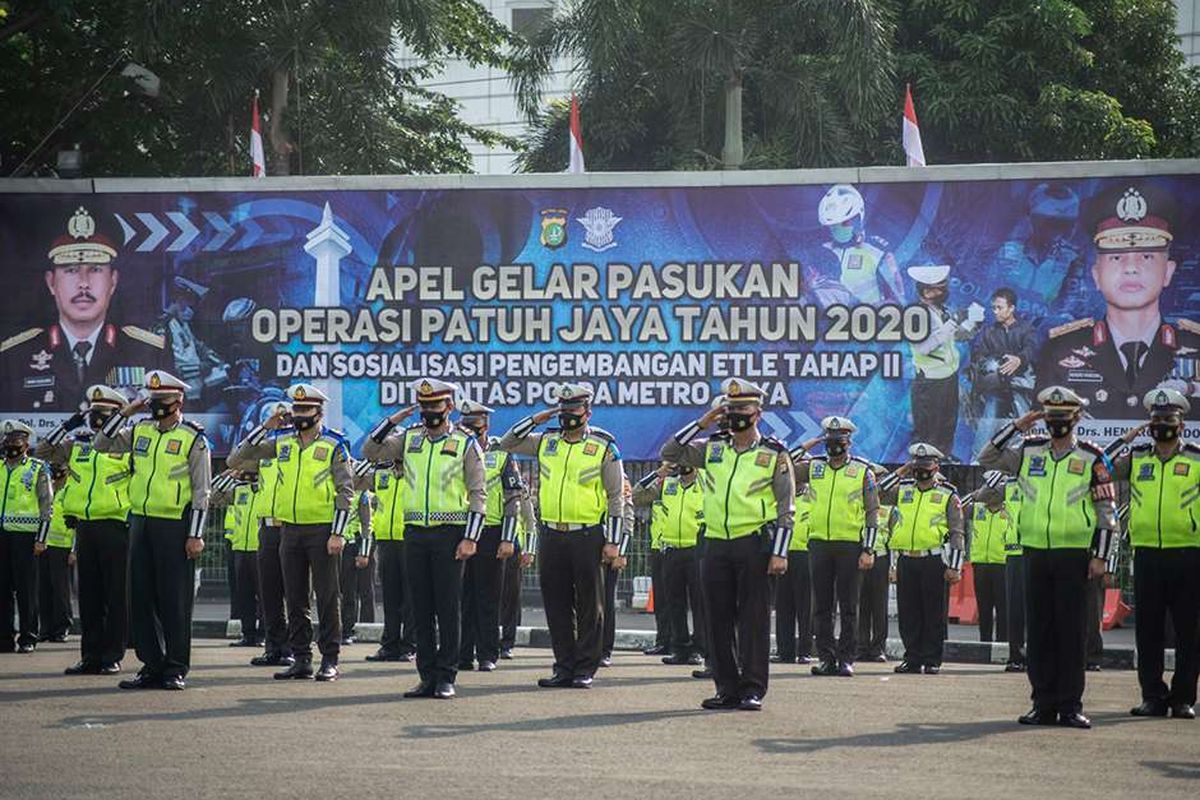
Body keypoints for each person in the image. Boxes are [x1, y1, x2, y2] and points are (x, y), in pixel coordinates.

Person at [979, 385, 1119, 728]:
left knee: (1071, 632)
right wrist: (1017, 426)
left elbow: (1107, 512)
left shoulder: (1091, 457)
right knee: (1039, 631)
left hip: (1075, 556)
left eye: (1063, 418)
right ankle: (1042, 703)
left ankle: (1070, 705)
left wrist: (1101, 557)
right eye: (1051, 417)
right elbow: (987, 457)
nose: (1057, 423)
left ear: (1076, 418)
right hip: (1036, 552)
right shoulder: (1028, 451)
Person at [662, 377, 793, 711]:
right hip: (715, 544)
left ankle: (751, 689)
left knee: (753, 620)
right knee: (716, 619)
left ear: (758, 413)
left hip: (754, 545)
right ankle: (726, 688)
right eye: (730, 409)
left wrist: (779, 552)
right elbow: (671, 452)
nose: (735, 415)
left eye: (742, 410)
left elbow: (785, 507)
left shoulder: (773, 453)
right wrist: (703, 422)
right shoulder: (713, 447)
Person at [362, 378, 486, 700]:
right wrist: (393, 420)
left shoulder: (465, 442)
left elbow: (478, 494)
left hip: (450, 534)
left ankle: (447, 676)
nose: (430, 410)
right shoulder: (410, 438)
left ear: (449, 406)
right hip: (414, 532)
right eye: (425, 404)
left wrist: (470, 538)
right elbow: (370, 450)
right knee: (420, 609)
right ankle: (426, 676)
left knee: (447, 608)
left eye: (436, 404)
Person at [497, 383, 624, 690]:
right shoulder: (546, 441)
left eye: (574, 410)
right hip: (552, 532)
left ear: (587, 412)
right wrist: (538, 419)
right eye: (563, 410)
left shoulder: (604, 445)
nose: (568, 416)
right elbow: (507, 442)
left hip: (588, 534)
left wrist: (614, 542)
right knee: (556, 603)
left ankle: (585, 668)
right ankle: (563, 666)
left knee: (589, 604)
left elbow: (616, 496)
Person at [1036, 185, 1200, 418]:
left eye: (1147, 256)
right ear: (1096, 275)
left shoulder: (1195, 347)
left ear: (1168, 272)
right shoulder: (1060, 349)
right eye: (1116, 257)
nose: (1131, 268)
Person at [227, 382, 353, 683]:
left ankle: (330, 659)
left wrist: (337, 533)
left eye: (305, 410)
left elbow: (345, 493)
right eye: (295, 409)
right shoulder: (282, 441)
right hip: (290, 531)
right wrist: (265, 427)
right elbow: (236, 459)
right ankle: (301, 659)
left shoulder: (335, 444)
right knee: (294, 598)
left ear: (319, 412)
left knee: (326, 596)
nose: (299, 415)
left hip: (322, 530)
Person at [93, 370, 210, 689]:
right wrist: (124, 412)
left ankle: (175, 667)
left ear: (179, 401)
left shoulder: (193, 437)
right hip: (140, 523)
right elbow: (101, 443)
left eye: (164, 400)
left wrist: (195, 534)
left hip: (175, 526)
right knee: (140, 598)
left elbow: (202, 491)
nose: (158, 405)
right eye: (154, 400)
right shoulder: (140, 429)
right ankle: (151, 664)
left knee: (173, 600)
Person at [0, 207, 168, 411]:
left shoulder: (148, 351)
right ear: (51, 282)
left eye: (95, 269)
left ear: (113, 281)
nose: (83, 284)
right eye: (71, 270)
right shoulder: (15, 356)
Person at [1105, 386, 1198, 719]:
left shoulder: (1196, 458)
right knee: (1148, 630)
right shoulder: (1138, 458)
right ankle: (1152, 696)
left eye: (1168, 419)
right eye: (1156, 420)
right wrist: (1128, 438)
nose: (1162, 425)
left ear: (1181, 424)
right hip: (1147, 554)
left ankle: (1184, 697)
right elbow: (1098, 467)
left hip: (1189, 555)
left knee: (1190, 630)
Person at [36, 384, 132, 674]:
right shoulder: (76, 442)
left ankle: (112, 656)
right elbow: (42, 452)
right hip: (85, 528)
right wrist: (67, 424)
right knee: (88, 596)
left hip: (117, 526)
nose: (95, 418)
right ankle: (90, 656)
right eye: (92, 413)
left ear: (116, 415)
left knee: (115, 596)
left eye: (102, 414)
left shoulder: (127, 443)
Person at [791, 416, 879, 677]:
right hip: (818, 543)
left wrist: (869, 549)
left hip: (850, 545)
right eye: (828, 441)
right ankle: (826, 658)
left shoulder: (863, 471)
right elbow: (783, 466)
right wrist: (809, 445)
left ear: (848, 442)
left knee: (849, 606)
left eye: (838, 441)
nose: (833, 447)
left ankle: (846, 659)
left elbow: (872, 511)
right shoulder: (815, 466)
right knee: (821, 607)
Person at [878, 444, 965, 674]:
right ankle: (912, 657)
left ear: (936, 466)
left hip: (934, 559)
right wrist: (903, 470)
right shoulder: (904, 488)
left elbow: (957, 531)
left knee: (933, 612)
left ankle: (932, 659)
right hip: (907, 558)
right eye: (917, 466)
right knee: (908, 613)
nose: (920, 471)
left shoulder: (948, 493)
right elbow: (877, 491)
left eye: (925, 466)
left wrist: (955, 566)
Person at [456, 400, 520, 673]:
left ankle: (487, 654)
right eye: (467, 424)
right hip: (459, 529)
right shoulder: (455, 448)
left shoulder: (502, 454)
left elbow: (513, 498)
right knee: (461, 596)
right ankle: (462, 654)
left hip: (491, 532)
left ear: (486, 425)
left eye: (477, 424)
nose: (472, 430)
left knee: (488, 596)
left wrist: (508, 539)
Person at [634, 460, 707, 667]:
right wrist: (658, 473)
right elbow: (637, 496)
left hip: (697, 550)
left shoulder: (705, 481)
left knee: (700, 603)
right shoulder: (668, 484)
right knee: (675, 603)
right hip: (671, 550)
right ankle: (680, 648)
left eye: (686, 458)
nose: (683, 464)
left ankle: (700, 648)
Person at [907, 264, 983, 459]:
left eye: (944, 287)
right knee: (928, 429)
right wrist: (947, 328)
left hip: (949, 376)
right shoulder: (916, 314)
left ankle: (943, 459)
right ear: (927, 291)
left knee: (947, 424)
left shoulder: (942, 310)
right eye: (940, 288)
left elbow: (956, 336)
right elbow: (923, 347)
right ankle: (924, 464)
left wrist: (973, 322)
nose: (944, 292)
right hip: (929, 381)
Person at [1, 420, 52, 653]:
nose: (11, 445)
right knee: (2, 589)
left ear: (26, 443)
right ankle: (4, 637)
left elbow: (46, 506)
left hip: (26, 537)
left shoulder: (37, 467)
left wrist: (42, 538)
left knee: (26, 590)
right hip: (2, 537)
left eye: (16, 442)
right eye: (8, 441)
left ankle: (28, 637)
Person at [969, 288, 1037, 456]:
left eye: (999, 307)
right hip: (996, 387)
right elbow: (978, 354)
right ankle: (978, 459)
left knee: (1025, 423)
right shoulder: (989, 331)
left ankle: (1028, 457)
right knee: (989, 419)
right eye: (994, 308)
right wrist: (993, 363)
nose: (995, 312)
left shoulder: (1026, 329)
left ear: (1011, 308)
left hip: (1021, 387)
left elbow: (1032, 349)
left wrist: (1019, 359)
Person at [363, 458, 416, 663]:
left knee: (410, 596)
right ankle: (389, 644)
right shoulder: (381, 473)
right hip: (385, 539)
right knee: (390, 595)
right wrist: (373, 462)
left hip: (408, 537)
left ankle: (409, 645)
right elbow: (356, 477)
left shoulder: (415, 471)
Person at [816, 184, 906, 305]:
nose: (839, 229)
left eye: (844, 223)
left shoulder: (877, 249)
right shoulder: (821, 252)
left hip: (871, 318)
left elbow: (897, 296)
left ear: (858, 218)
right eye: (833, 226)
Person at [210, 468, 265, 648]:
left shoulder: (268, 489)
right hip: (240, 548)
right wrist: (229, 476)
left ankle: (265, 634)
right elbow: (214, 495)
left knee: (266, 596)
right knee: (244, 594)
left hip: (260, 548)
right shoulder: (239, 489)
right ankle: (248, 634)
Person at [967, 473, 1013, 644]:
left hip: (1003, 564)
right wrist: (977, 493)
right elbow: (957, 506)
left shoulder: (1011, 509)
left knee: (1004, 609)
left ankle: (1003, 644)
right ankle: (984, 643)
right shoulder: (976, 508)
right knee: (984, 608)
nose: (989, 496)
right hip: (980, 564)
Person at [775, 470, 815, 665]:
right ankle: (785, 651)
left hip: (804, 554)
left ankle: (805, 650)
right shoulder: (781, 495)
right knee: (783, 605)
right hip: (783, 553)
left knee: (805, 606)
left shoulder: (812, 496)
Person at [35, 465, 75, 643]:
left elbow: (78, 522)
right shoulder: (47, 486)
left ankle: (62, 627)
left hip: (63, 546)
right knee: (43, 589)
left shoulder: (71, 489)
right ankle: (46, 628)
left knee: (61, 590)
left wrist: (74, 550)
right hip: (44, 544)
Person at [599, 477, 635, 667]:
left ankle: (604, 650)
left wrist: (621, 552)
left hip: (610, 550)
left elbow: (628, 517)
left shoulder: (618, 476)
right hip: (585, 545)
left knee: (606, 601)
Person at [856, 471, 891, 663]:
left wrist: (893, 566)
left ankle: (878, 648)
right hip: (860, 557)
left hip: (881, 558)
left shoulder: (889, 509)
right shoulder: (859, 505)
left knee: (879, 606)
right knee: (861, 605)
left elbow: (893, 538)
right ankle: (861, 647)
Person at [499, 490, 537, 659]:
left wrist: (529, 550)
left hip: (514, 549)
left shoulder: (518, 487)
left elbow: (529, 520)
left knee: (511, 598)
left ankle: (507, 643)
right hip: (487, 544)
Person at [339, 482, 375, 646]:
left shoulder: (363, 494)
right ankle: (346, 629)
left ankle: (365, 627)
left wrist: (365, 552)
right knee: (346, 591)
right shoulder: (336, 491)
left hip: (356, 545)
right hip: (340, 546)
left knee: (364, 590)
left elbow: (367, 525)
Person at [1002, 477, 1027, 671]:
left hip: (1037, 550)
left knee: (1037, 609)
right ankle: (1016, 656)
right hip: (1014, 554)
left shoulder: (1043, 477)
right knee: (1015, 609)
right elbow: (985, 495)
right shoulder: (1008, 483)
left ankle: (1037, 656)